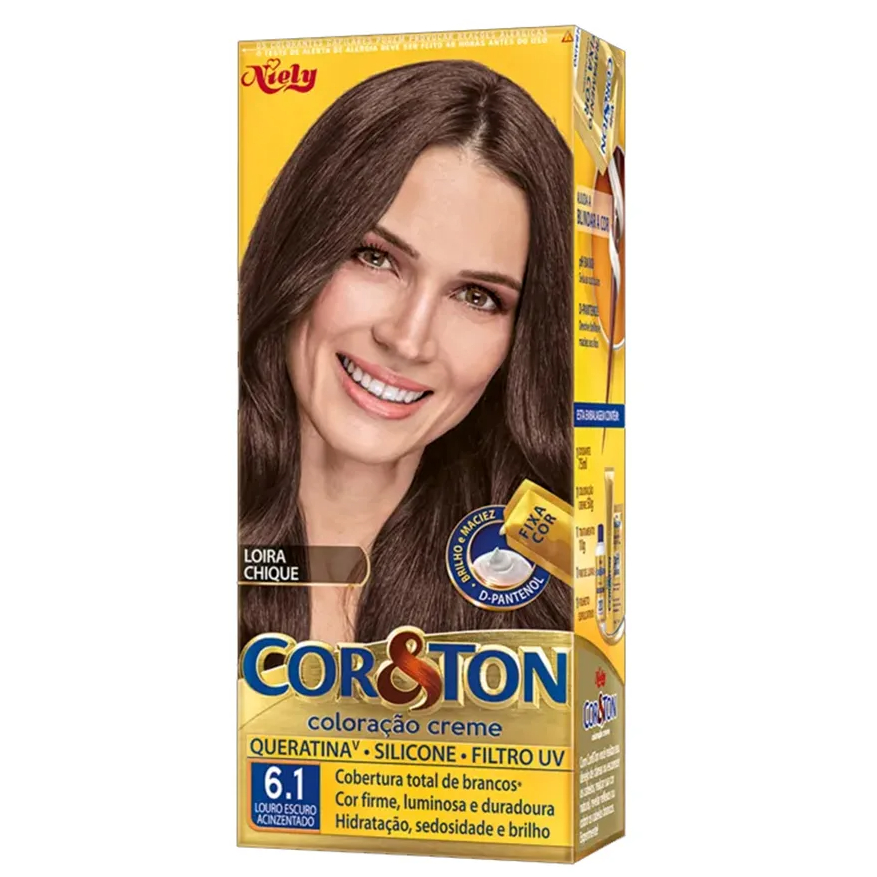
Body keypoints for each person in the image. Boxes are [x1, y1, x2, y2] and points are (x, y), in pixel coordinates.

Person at [239, 60, 572, 646]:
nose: (408, 339)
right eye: (375, 258)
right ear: (301, 248)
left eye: (477, 297)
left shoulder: (560, 580)